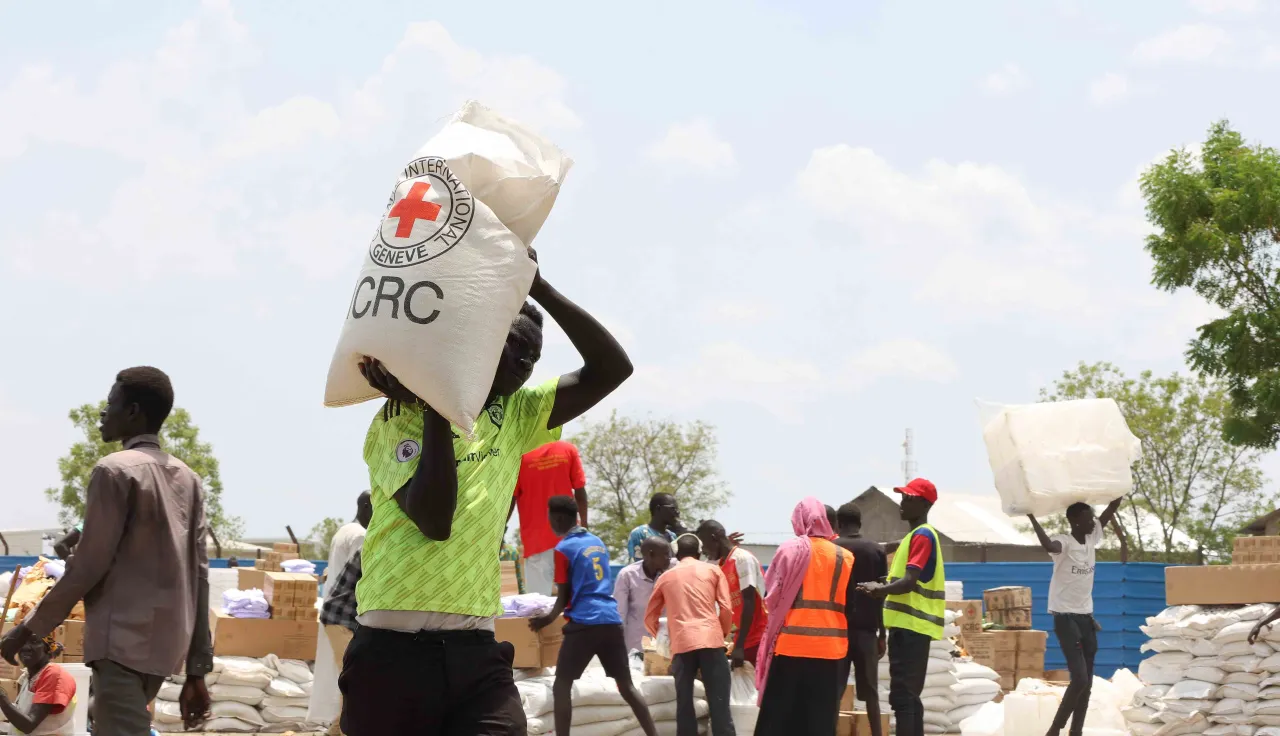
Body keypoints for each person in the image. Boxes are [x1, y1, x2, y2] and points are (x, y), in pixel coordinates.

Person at [342, 249, 633, 736]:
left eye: (533, 357)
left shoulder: (516, 414)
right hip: (391, 649)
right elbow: (435, 520)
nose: (525, 365)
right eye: (514, 349)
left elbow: (612, 369)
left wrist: (541, 288)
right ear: (475, 344)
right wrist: (439, 396)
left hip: (474, 648)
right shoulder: (400, 418)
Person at [0, 367, 212, 734]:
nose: (103, 412)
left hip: (121, 643)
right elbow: (200, 578)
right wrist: (197, 670)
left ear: (132, 412)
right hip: (166, 646)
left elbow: (88, 567)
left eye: (110, 403)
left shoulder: (113, 471)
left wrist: (26, 629)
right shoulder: (189, 479)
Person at [531, 496, 658, 736]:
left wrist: (543, 621)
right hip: (610, 621)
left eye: (549, 518)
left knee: (561, 686)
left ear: (558, 518)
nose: (549, 523)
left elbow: (562, 597)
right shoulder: (597, 543)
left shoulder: (563, 549)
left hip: (585, 623)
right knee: (627, 686)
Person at [753, 497, 853, 735]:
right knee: (820, 718)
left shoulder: (790, 549)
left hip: (792, 645)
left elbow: (772, 595)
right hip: (831, 647)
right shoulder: (845, 556)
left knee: (778, 718)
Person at [1028, 498, 1123, 736]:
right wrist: (1031, 517)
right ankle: (1055, 729)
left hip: (1086, 618)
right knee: (1079, 678)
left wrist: (1120, 485)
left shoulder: (1092, 538)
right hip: (1065, 618)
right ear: (1075, 521)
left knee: (1087, 683)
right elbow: (1050, 546)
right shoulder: (1065, 542)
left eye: (1093, 517)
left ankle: (1076, 731)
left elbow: (1111, 509)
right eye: (1088, 517)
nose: (1093, 521)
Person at [858, 479, 946, 736]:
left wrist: (879, 590)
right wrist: (881, 585)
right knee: (908, 697)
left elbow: (909, 582)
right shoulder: (914, 536)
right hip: (910, 628)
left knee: (903, 697)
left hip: (911, 628)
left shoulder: (922, 535)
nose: (902, 503)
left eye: (908, 498)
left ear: (924, 504)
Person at [646, 534, 735, 736]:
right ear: (699, 552)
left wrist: (664, 640)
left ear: (676, 553)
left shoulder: (666, 577)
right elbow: (726, 608)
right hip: (712, 641)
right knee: (720, 705)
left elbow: (650, 616)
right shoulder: (713, 570)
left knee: (684, 705)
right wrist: (721, 633)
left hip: (682, 643)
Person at [310, 491, 374, 732]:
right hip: (344, 615)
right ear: (368, 507)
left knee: (348, 682)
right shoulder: (362, 536)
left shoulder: (344, 531)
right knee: (354, 683)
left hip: (337, 609)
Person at [833, 499, 888, 736]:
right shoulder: (876, 550)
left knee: (835, 690)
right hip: (867, 631)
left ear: (838, 523)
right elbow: (881, 595)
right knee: (871, 693)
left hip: (837, 632)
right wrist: (882, 633)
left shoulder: (832, 549)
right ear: (859, 523)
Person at [513, 440, 588, 594]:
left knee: (538, 604)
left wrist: (501, 530)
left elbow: (510, 500)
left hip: (536, 541)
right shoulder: (568, 449)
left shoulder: (519, 456)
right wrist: (585, 526)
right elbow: (580, 491)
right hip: (569, 538)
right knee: (575, 600)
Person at [696, 520, 767, 668]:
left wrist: (740, 645)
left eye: (704, 544)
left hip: (756, 639)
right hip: (738, 641)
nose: (703, 550)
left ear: (714, 538)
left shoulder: (741, 559)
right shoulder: (721, 564)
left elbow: (749, 602)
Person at [0, 634, 76, 735]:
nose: (25, 647)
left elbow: (28, 725)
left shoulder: (53, 675)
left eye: (34, 642)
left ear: (47, 649)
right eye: (22, 642)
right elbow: (20, 713)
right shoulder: (27, 676)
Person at [614, 536, 676, 655]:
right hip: (636, 644)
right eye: (664, 554)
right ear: (651, 555)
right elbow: (620, 613)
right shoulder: (627, 575)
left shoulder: (672, 571)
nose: (668, 558)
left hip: (664, 642)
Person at [627, 493, 683, 563]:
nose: (677, 512)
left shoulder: (672, 536)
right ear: (658, 508)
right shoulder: (639, 533)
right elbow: (636, 567)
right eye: (673, 508)